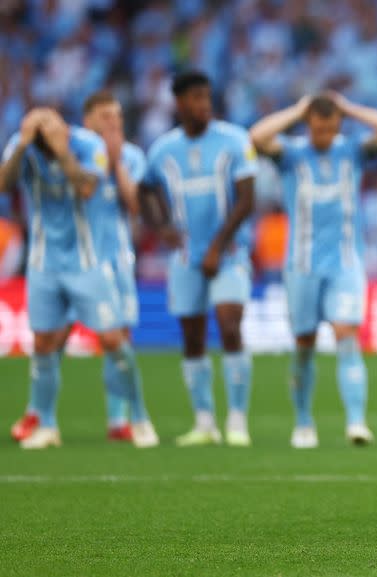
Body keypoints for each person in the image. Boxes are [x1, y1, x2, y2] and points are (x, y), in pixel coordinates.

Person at [250, 92, 377, 448]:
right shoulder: (290, 155)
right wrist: (297, 109)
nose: (323, 135)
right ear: (308, 126)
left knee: (346, 336)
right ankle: (304, 422)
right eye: (317, 128)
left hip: (345, 263)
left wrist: (349, 107)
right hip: (301, 266)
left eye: (330, 128)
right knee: (303, 344)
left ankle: (356, 422)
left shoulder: (351, 150)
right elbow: (257, 137)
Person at [1, 108, 157, 449]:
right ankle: (46, 425)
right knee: (43, 344)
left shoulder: (88, 145)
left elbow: (87, 187)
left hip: (87, 263)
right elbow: (4, 183)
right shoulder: (22, 146)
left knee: (114, 339)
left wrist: (62, 152)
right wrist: (23, 143)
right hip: (43, 263)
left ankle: (140, 416)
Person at [140, 71, 258, 447]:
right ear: (179, 103)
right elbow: (145, 189)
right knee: (191, 335)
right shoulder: (162, 149)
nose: (203, 104)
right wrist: (161, 228)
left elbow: (247, 200)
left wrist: (216, 247)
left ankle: (237, 420)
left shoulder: (235, 140)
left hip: (230, 252)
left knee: (229, 323)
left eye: (206, 97)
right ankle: (204, 421)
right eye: (195, 98)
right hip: (186, 256)